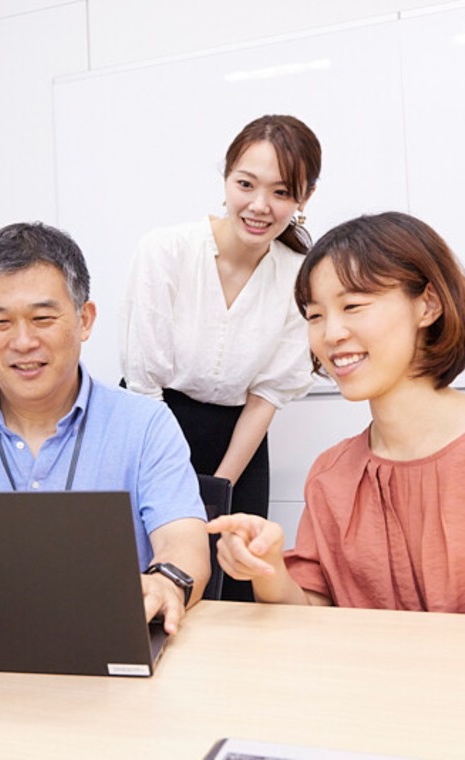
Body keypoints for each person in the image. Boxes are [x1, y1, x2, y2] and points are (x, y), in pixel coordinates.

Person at [207, 212, 465, 622]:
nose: (330, 334)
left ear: (427, 305)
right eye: (315, 315)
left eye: (353, 305)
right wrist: (267, 570)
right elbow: (314, 626)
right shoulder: (332, 475)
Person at [0, 222, 210, 634]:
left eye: (43, 317)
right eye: (0, 322)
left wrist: (165, 583)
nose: (23, 342)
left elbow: (183, 543)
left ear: (84, 319)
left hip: (113, 637)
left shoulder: (145, 424)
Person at [119, 114, 321, 601]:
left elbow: (266, 396)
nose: (259, 206)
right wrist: (177, 482)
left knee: (235, 586)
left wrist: (217, 486)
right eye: (245, 185)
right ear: (225, 180)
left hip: (239, 438)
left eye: (280, 192)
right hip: (150, 421)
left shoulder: (300, 275)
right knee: (141, 576)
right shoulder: (165, 250)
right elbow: (143, 383)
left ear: (303, 199)